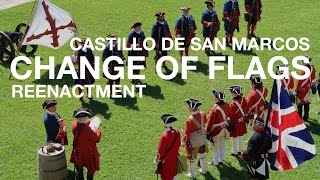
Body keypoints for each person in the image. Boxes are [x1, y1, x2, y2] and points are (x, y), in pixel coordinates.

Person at [70, 108, 101, 180]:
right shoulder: (86, 129)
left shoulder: (74, 124)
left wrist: (89, 122)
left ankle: (80, 177)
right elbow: (96, 138)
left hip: (78, 151)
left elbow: (82, 125)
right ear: (85, 118)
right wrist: (97, 129)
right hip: (88, 152)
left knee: (79, 167)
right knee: (91, 169)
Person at [182, 98, 207, 178]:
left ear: (191, 108)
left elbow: (187, 135)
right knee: (202, 155)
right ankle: (203, 170)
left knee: (192, 159)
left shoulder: (189, 120)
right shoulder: (202, 113)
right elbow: (205, 122)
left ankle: (192, 175)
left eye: (188, 106)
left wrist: (183, 142)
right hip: (202, 138)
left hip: (193, 142)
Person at [206, 90, 232, 166]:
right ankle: (221, 161)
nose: (214, 98)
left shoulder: (214, 109)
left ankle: (216, 162)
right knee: (222, 145)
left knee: (216, 147)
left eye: (215, 96)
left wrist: (207, 132)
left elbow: (210, 123)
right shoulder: (227, 105)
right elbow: (229, 115)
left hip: (216, 131)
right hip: (225, 129)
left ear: (217, 98)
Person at [154, 114, 181, 180]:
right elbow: (178, 144)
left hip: (166, 161)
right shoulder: (177, 132)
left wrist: (157, 160)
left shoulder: (164, 136)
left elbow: (160, 151)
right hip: (175, 157)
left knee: (166, 177)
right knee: (174, 175)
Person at [228, 85, 248, 156]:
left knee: (234, 138)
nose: (231, 94)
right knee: (240, 136)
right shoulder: (244, 99)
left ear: (235, 93)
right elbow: (246, 109)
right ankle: (239, 150)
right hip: (242, 121)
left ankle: (235, 151)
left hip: (235, 123)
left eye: (232, 92)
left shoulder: (233, 104)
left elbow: (231, 115)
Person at [296, 56, 316, 121]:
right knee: (307, 104)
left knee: (299, 105)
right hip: (309, 89)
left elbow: (299, 81)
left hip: (302, 90)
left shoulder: (303, 69)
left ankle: (299, 119)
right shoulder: (312, 68)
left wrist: (296, 90)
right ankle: (306, 117)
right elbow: (313, 77)